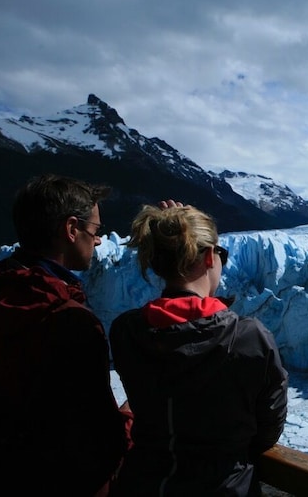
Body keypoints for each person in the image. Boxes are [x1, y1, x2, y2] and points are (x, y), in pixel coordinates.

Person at [0, 173, 131, 496]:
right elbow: (100, 439)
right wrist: (132, 415)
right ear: (71, 230)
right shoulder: (71, 320)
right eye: (96, 230)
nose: (100, 240)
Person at [108, 201, 288, 496]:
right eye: (221, 253)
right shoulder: (248, 338)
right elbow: (268, 425)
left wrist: (172, 225)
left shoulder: (127, 331)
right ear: (208, 257)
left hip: (143, 486)